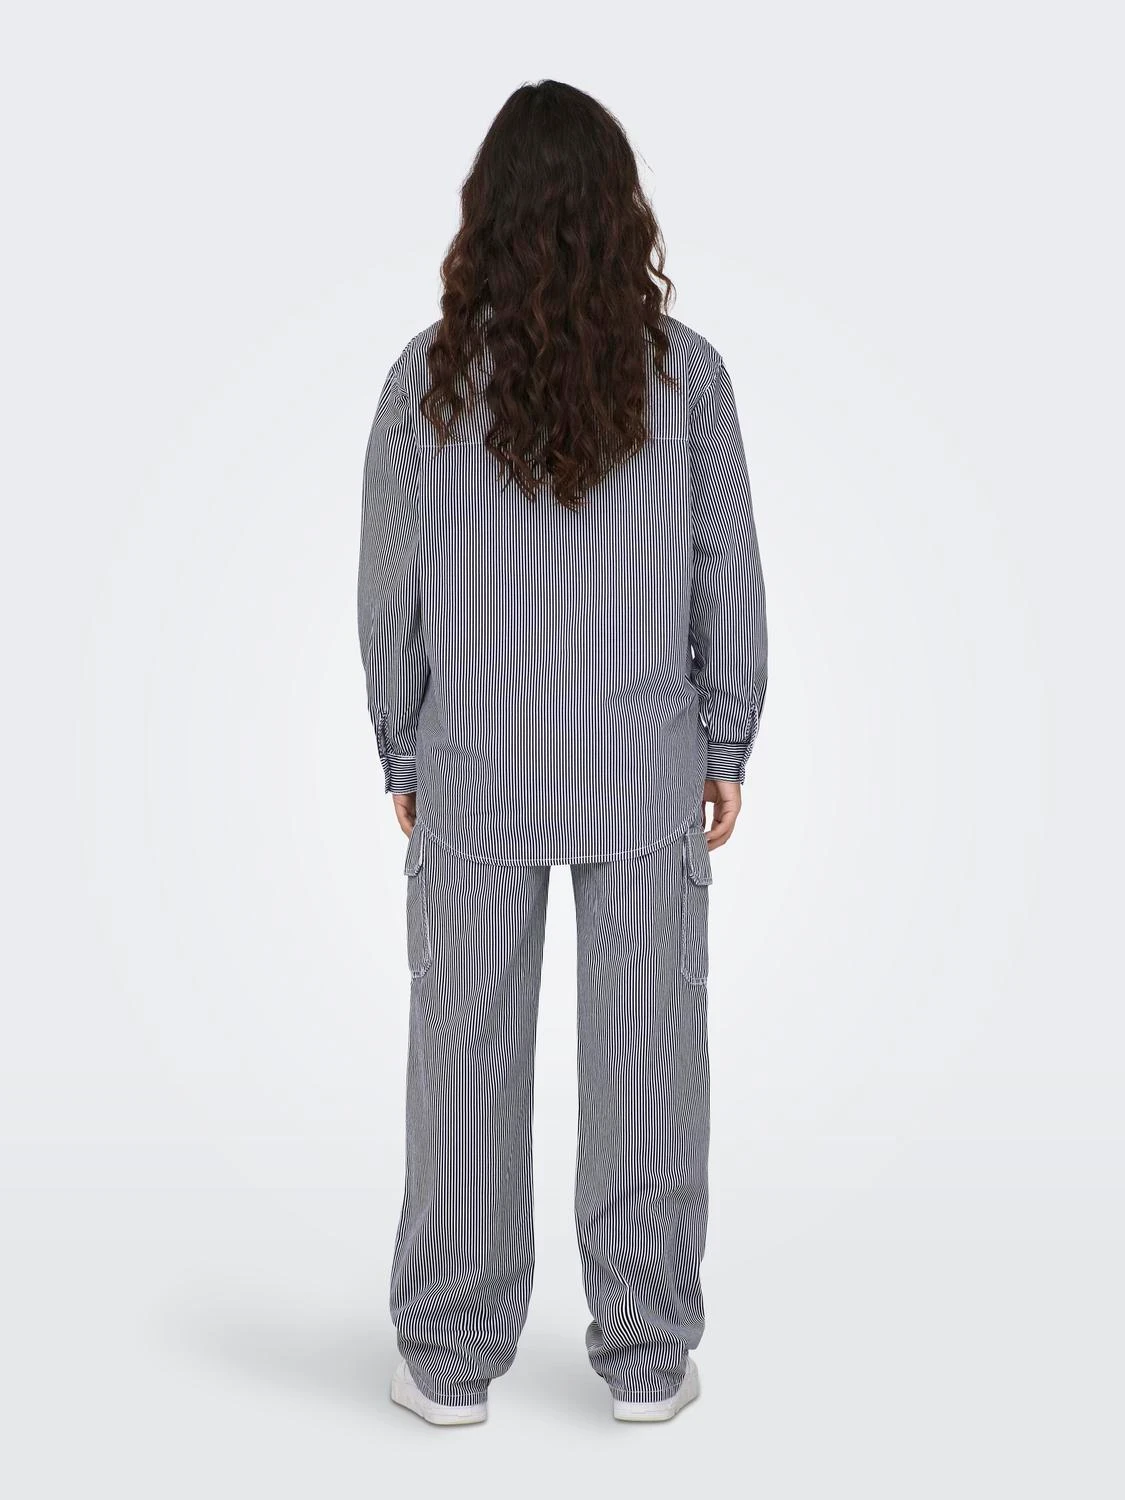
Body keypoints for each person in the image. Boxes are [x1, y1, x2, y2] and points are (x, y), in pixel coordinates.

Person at [357, 79, 767, 1427]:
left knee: (460, 1051)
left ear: (485, 216)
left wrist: (403, 744)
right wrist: (727, 735)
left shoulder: (424, 382)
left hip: (474, 766)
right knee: (648, 1052)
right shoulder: (687, 376)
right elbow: (724, 571)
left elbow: (388, 582)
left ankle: (448, 1357)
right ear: (621, 215)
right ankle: (645, 1355)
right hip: (642, 767)